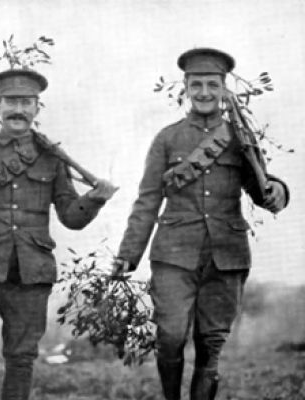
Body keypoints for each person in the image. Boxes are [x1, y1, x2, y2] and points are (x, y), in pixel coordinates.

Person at [0, 68, 117, 400]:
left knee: (21, 356)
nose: (18, 109)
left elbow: (71, 217)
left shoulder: (52, 159)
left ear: (37, 108)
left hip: (31, 272)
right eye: (11, 101)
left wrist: (95, 198)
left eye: (26, 102)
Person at [113, 48, 289, 400]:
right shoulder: (167, 138)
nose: (204, 92)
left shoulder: (240, 137)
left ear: (224, 89)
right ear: (185, 88)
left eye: (212, 84)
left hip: (226, 256)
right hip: (173, 255)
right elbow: (147, 200)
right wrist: (128, 255)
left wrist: (278, 191)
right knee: (170, 336)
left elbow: (261, 186)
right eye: (197, 85)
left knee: (211, 345)